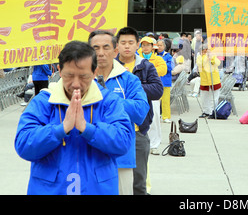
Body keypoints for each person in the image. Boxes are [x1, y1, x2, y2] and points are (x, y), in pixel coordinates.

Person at [15, 41, 133, 195]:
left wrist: (87, 128)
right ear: (59, 70)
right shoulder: (44, 101)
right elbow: (24, 145)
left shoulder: (108, 102)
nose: (76, 84)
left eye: (83, 76)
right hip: (50, 189)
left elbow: (123, 142)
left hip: (97, 189)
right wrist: (61, 129)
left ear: (95, 72)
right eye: (69, 76)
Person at [88, 30, 150, 195]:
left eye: (106, 47)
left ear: (115, 51)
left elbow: (140, 111)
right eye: (95, 48)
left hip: (120, 158)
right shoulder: (80, 78)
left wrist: (107, 99)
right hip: (87, 156)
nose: (101, 53)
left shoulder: (129, 79)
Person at [114, 27, 164, 194]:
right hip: (113, 130)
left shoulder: (146, 66)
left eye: (130, 43)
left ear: (137, 45)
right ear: (117, 46)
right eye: (123, 43)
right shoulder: (109, 67)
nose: (127, 46)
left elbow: (157, 90)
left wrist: (133, 85)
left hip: (137, 131)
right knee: (112, 180)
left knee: (138, 183)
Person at [197, 43, 221, 118]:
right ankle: (206, 111)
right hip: (205, 80)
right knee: (204, 97)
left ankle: (212, 112)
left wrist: (211, 58)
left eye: (205, 50)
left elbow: (218, 63)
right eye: (203, 50)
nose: (204, 51)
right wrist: (205, 57)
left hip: (214, 80)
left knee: (213, 98)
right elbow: (199, 63)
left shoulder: (213, 56)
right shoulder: (199, 57)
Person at [156, 39, 173, 123]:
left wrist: (162, 62)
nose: (159, 47)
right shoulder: (153, 55)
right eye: (157, 45)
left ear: (164, 47)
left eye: (161, 45)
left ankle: (165, 116)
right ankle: (156, 115)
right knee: (155, 101)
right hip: (156, 81)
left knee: (165, 100)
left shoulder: (168, 56)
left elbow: (170, 68)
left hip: (166, 81)